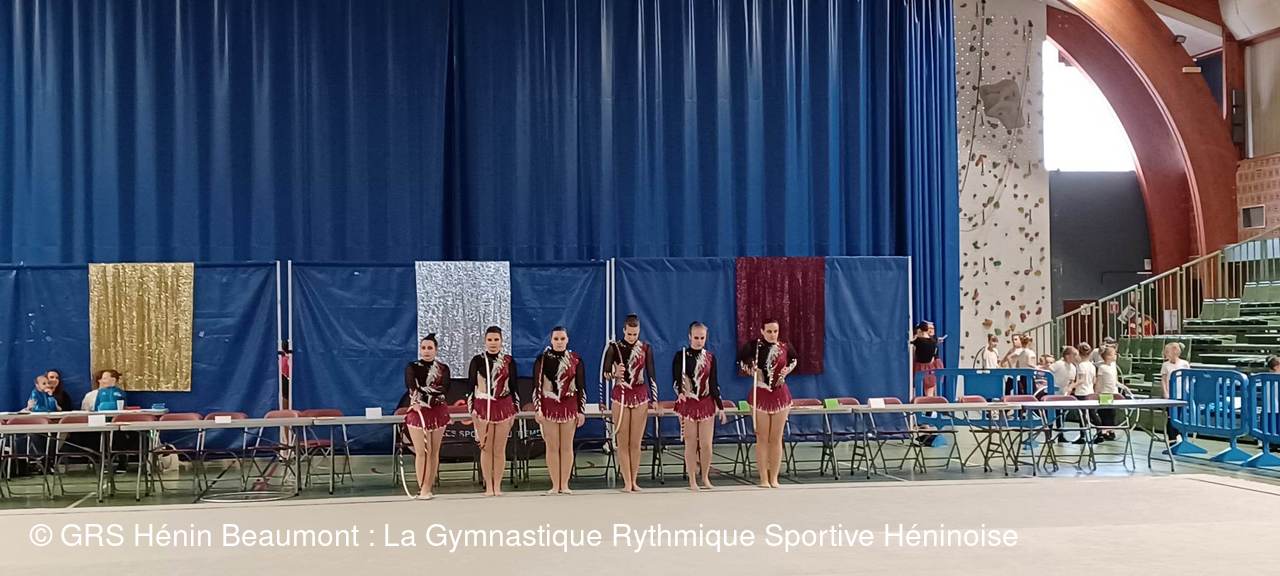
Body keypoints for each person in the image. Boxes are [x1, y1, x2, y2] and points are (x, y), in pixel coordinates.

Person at [601, 314, 657, 493]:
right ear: (624, 330)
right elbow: (604, 374)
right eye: (629, 334)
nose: (632, 337)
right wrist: (615, 373)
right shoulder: (614, 347)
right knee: (623, 441)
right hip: (621, 395)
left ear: (639, 331)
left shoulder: (645, 348)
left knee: (636, 442)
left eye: (635, 334)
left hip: (640, 394)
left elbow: (651, 374)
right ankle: (626, 481)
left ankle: (634, 480)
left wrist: (655, 400)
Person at [738, 319, 797, 489]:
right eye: (769, 331)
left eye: (775, 331)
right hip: (760, 395)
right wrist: (752, 370)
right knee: (762, 437)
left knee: (776, 438)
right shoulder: (753, 347)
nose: (772, 335)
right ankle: (763, 478)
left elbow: (794, 361)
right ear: (762, 331)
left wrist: (786, 371)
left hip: (780, 395)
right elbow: (741, 362)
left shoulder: (785, 346)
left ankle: (774, 477)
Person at [673, 321, 727, 491]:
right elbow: (676, 379)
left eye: (702, 338)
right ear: (689, 337)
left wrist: (720, 406)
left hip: (706, 403)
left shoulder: (710, 358)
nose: (699, 341)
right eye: (696, 338)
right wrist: (680, 393)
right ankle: (692, 479)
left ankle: (705, 477)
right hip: (689, 403)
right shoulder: (681, 356)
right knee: (690, 444)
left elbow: (714, 383)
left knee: (706, 444)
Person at [533, 326, 586, 495]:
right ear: (551, 340)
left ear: (567, 340)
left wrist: (581, 411)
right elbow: (537, 386)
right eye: (556, 339)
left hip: (569, 406)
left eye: (562, 339)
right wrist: (538, 409)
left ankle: (565, 484)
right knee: (552, 446)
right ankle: (555, 484)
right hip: (549, 406)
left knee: (566, 446)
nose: (559, 342)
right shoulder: (542, 360)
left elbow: (581, 387)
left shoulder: (575, 359)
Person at [468, 326, 519, 497]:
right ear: (485, 341)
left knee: (499, 449)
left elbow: (514, 386)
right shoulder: (477, 360)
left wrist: (514, 410)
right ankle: (488, 486)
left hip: (504, 406)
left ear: (502, 341)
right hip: (483, 407)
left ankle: (497, 485)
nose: (493, 343)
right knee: (486, 448)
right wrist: (472, 411)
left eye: (496, 339)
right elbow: (470, 387)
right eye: (490, 340)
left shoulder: (508, 361)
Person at [404, 335, 451, 500]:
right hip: (418, 412)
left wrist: (423, 390)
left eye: (430, 348)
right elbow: (411, 386)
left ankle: (429, 487)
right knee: (422, 451)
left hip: (438, 411)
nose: (426, 351)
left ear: (436, 350)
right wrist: (418, 399)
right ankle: (422, 488)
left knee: (434, 452)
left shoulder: (443, 369)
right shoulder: (412, 367)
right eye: (423, 348)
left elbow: (444, 389)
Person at [1093, 347, 1131, 442]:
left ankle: (1111, 430)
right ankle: (1104, 431)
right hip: (1105, 393)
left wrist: (1124, 387)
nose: (1116, 355)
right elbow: (1099, 382)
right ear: (1108, 356)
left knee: (1112, 413)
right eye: (1114, 354)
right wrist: (1096, 393)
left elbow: (1115, 381)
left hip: (1114, 393)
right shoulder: (1102, 367)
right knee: (1105, 413)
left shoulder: (1113, 366)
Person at [1160, 342, 1191, 443]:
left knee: (1181, 416)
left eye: (1167, 351)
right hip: (1171, 395)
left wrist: (1187, 391)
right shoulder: (1165, 365)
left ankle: (1181, 436)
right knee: (1171, 417)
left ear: (1175, 352)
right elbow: (1163, 379)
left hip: (1181, 394)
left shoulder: (1184, 364)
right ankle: (1172, 438)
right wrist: (1165, 392)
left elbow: (1187, 379)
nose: (1166, 353)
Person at [911, 321, 945, 396]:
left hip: (922, 367)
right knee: (930, 392)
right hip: (930, 368)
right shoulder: (933, 342)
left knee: (919, 390)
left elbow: (911, 342)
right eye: (930, 328)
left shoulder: (918, 341)